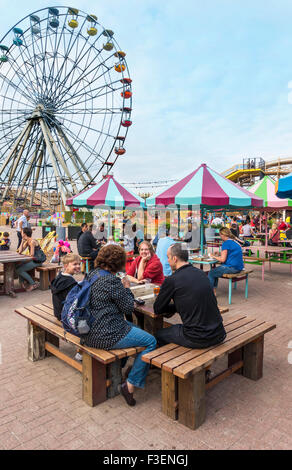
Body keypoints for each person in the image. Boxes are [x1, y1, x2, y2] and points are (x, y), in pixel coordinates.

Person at [83, 244, 157, 406]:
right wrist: (126, 288)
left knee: (138, 330)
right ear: (118, 262)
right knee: (151, 341)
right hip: (106, 334)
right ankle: (129, 384)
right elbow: (128, 307)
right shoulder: (112, 281)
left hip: (88, 330)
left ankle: (121, 367)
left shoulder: (93, 274)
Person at [154, 243, 226, 348]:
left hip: (198, 338)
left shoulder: (172, 280)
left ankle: (165, 363)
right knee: (175, 329)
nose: (167, 261)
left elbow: (158, 309)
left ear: (174, 259)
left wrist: (174, 306)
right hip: (219, 333)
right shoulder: (201, 273)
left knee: (157, 335)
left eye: (168, 257)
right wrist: (178, 305)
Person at [208, 227, 244, 293]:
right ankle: (214, 292)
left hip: (232, 268)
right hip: (239, 267)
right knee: (215, 272)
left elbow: (222, 260)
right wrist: (219, 253)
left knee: (211, 273)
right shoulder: (234, 241)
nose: (220, 236)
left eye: (220, 235)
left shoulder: (226, 243)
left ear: (223, 235)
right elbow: (231, 253)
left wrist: (213, 256)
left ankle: (211, 293)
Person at [50, 254, 80, 320]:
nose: (78, 266)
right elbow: (74, 301)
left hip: (58, 312)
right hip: (66, 315)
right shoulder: (70, 283)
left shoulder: (59, 277)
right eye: (75, 264)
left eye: (79, 264)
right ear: (66, 266)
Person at [16, 227, 45, 291]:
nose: (21, 233)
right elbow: (20, 251)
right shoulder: (27, 241)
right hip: (33, 260)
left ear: (24, 234)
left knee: (19, 270)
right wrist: (22, 241)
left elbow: (31, 255)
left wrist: (25, 258)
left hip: (37, 261)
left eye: (22, 232)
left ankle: (33, 284)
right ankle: (22, 283)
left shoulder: (32, 241)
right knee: (17, 266)